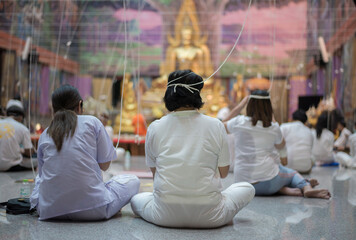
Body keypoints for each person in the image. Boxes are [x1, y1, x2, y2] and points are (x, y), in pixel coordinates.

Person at [130, 70, 255, 228]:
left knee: (135, 200)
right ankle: (220, 211)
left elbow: (156, 175)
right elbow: (223, 174)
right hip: (211, 216)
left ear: (169, 95)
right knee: (247, 188)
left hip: (164, 215)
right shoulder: (215, 125)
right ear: (198, 96)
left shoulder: (155, 127)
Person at [30, 85, 140, 221]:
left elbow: (42, 174)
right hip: (94, 209)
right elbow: (105, 166)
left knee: (39, 181)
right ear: (80, 105)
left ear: (54, 109)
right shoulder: (92, 122)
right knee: (132, 181)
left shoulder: (45, 134)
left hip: (49, 210)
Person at [224, 90, 330, 199]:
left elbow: (219, 126)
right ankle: (306, 187)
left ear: (249, 105)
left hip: (241, 185)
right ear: (269, 107)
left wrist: (240, 106)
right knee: (291, 174)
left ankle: (285, 189)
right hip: (268, 183)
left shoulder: (238, 122)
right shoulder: (274, 128)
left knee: (277, 175)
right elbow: (284, 160)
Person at [0, 99, 36, 171]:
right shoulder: (22, 128)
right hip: (10, 166)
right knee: (37, 159)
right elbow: (29, 153)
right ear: (21, 117)